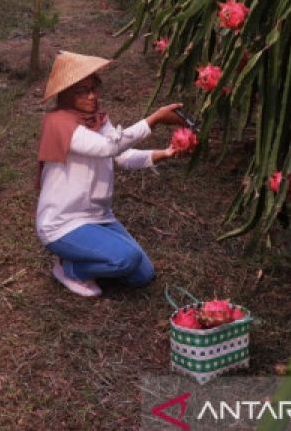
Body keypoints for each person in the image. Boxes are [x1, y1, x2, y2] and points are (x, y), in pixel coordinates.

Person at [35, 50, 188, 297]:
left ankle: (96, 259)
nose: (92, 96)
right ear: (65, 95)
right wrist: (154, 119)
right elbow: (107, 147)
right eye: (82, 91)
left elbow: (123, 156)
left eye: (94, 88)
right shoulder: (59, 122)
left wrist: (165, 153)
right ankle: (70, 269)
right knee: (126, 259)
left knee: (143, 275)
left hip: (98, 217)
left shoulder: (96, 120)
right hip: (63, 223)